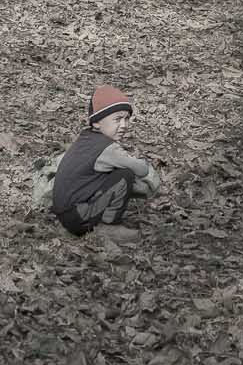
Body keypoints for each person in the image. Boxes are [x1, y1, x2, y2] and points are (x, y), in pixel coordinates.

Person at [51, 85, 161, 246]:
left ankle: (95, 217)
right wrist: (144, 169)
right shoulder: (108, 149)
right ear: (96, 123)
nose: (124, 125)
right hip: (77, 217)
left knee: (116, 173)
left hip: (65, 212)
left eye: (127, 119)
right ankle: (109, 226)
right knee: (125, 175)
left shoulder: (86, 140)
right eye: (117, 119)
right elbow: (142, 169)